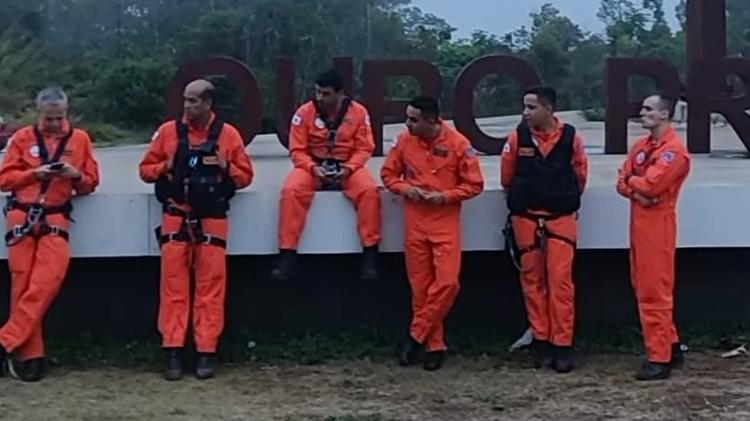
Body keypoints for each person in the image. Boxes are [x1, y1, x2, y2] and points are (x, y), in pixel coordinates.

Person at [139, 79, 254, 381]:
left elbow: (245, 177)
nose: (187, 106)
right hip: (176, 217)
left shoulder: (228, 135)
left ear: (208, 104)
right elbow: (144, 171)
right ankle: (173, 351)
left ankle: (207, 351)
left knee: (210, 289)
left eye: (193, 101)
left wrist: (225, 166)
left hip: (213, 219)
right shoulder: (167, 133)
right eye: (186, 100)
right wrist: (166, 165)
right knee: (173, 288)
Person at [0, 87, 100, 381]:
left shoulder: (80, 140)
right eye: (49, 119)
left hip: (56, 217)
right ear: (39, 114)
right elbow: (5, 180)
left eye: (59, 118)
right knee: (23, 286)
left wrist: (75, 175)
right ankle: (32, 357)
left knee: (46, 283)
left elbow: (91, 182)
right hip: (22, 216)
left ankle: (6, 341)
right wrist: (35, 174)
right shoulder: (22, 139)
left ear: (66, 113)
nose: (55, 124)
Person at [381, 96, 484, 371]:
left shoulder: (459, 144)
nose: (407, 124)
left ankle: (415, 336)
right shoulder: (403, 141)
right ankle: (434, 346)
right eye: (407, 118)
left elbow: (475, 185)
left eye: (413, 119)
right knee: (421, 290)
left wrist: (445, 196)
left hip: (444, 222)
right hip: (414, 222)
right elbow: (388, 175)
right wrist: (406, 189)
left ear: (432, 120)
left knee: (448, 283)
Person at [501, 85, 588, 373]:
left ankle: (562, 344)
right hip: (526, 219)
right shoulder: (517, 138)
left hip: (560, 219)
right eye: (524, 107)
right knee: (532, 283)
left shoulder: (572, 138)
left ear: (549, 109)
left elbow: (580, 173)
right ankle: (541, 341)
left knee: (561, 283)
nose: (525, 113)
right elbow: (507, 176)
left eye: (531, 107)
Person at [271, 69, 381, 281]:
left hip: (347, 166)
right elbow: (296, 150)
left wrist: (349, 168)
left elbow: (365, 148)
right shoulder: (304, 113)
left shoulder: (358, 113)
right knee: (291, 191)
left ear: (340, 94)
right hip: (313, 165)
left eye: (326, 94)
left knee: (369, 192)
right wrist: (312, 168)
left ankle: (370, 253)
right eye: (318, 92)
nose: (320, 98)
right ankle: (287, 253)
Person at [616, 92, 691, 381]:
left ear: (664, 114)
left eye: (649, 109)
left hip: (658, 227)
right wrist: (637, 189)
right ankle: (670, 346)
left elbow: (651, 185)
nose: (642, 112)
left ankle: (658, 358)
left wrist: (636, 186)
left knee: (653, 292)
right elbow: (622, 182)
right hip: (639, 223)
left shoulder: (675, 151)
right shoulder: (641, 147)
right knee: (642, 285)